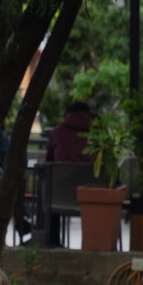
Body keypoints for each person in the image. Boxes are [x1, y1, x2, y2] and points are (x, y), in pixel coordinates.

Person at [43, 102, 96, 246]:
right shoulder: (100, 135)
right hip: (94, 199)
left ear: (67, 116)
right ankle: (96, 244)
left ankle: (52, 244)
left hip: (60, 199)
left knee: (47, 193)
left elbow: (48, 163)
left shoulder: (57, 133)